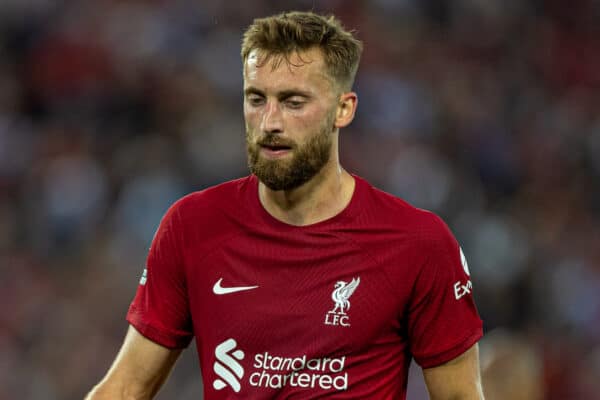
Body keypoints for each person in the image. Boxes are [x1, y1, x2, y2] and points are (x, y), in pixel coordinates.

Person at [86, 11, 484, 400]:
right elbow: (125, 388)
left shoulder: (417, 242)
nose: (270, 122)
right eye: (257, 99)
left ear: (343, 109)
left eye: (293, 102)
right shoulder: (192, 226)